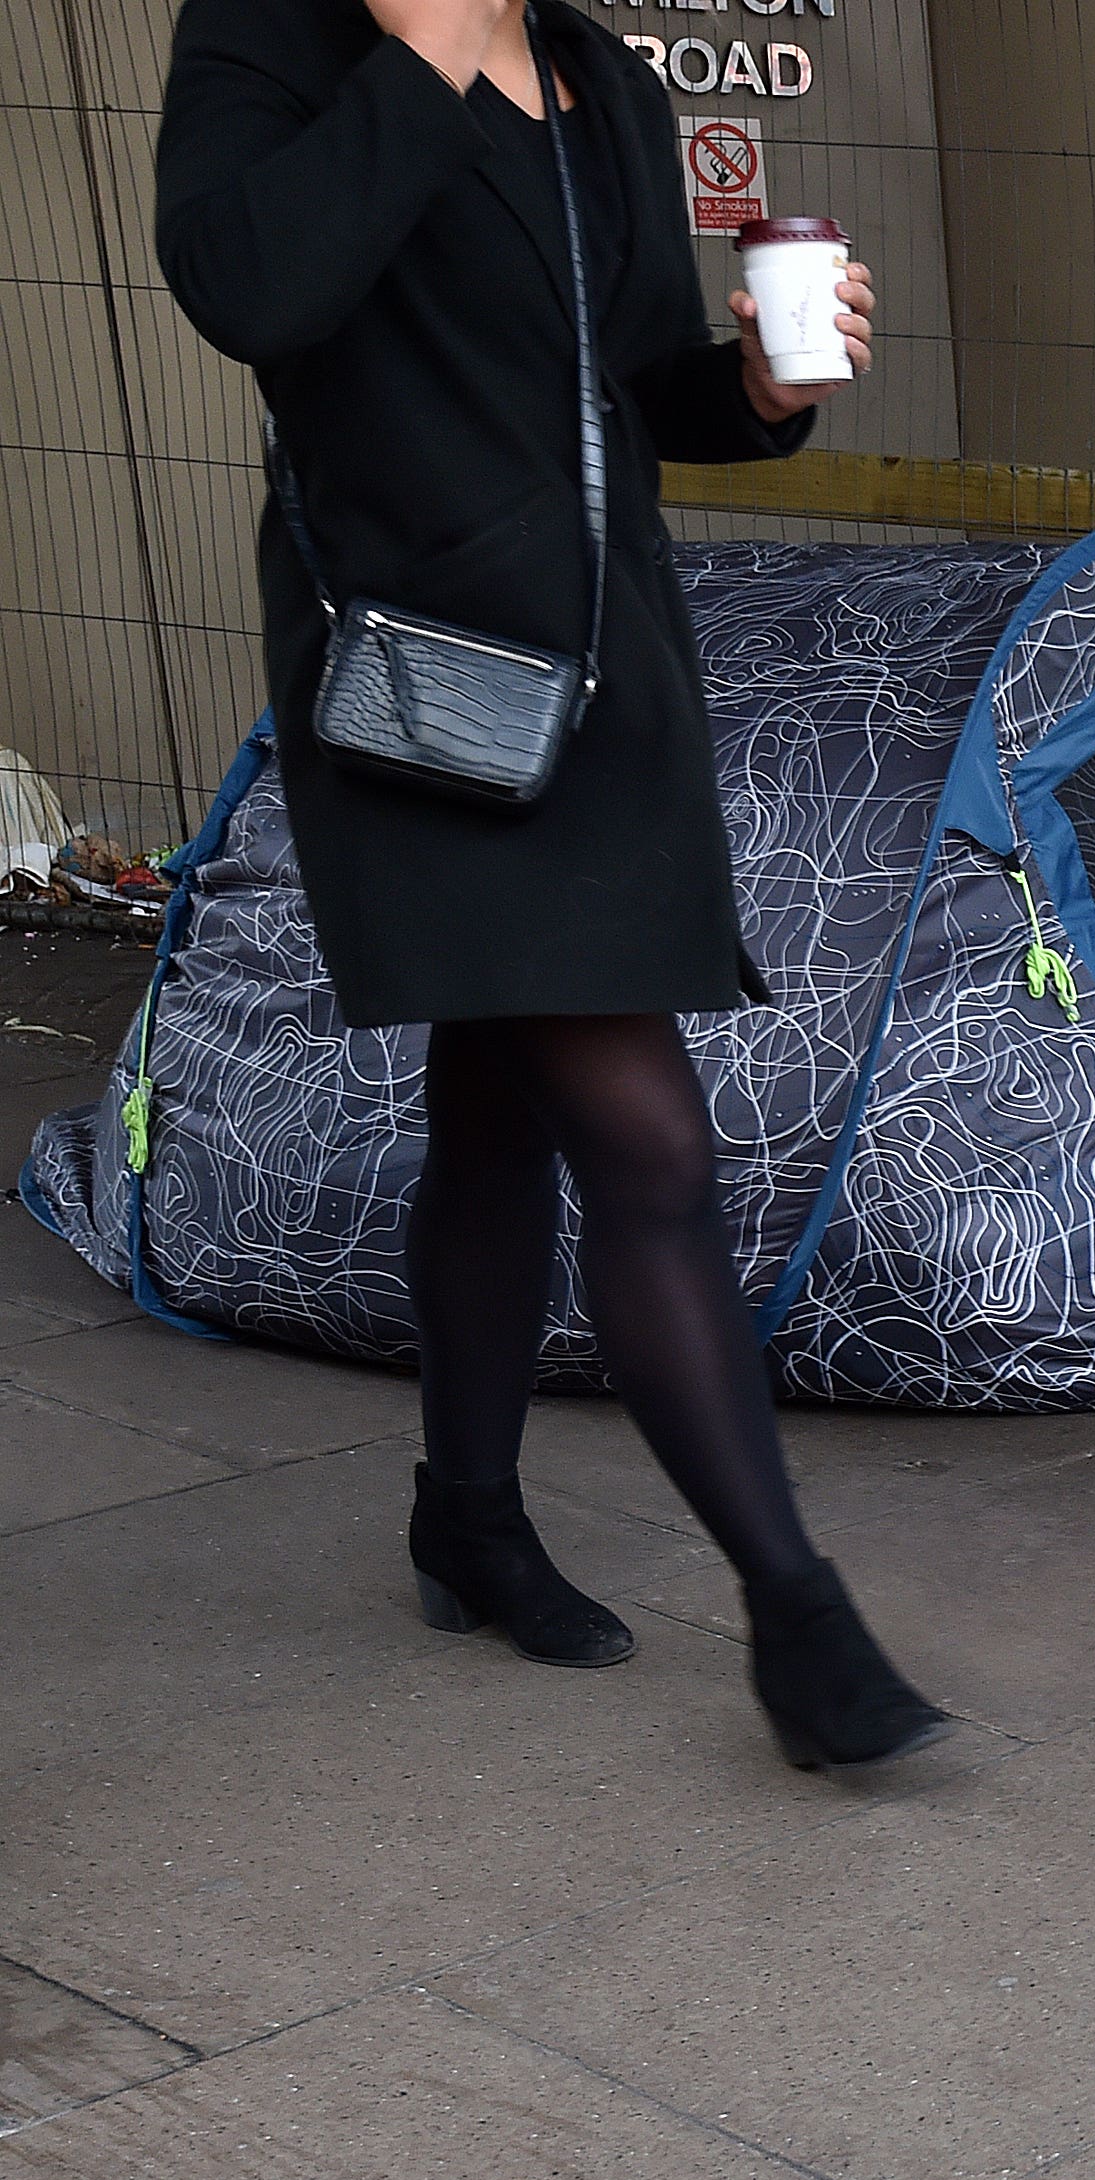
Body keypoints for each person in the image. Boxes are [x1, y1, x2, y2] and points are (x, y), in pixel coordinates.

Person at [156, 0, 948, 1770]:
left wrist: (755, 385)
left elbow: (637, 382)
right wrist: (427, 57)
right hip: (427, 696)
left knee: (499, 1121)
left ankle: (468, 1511)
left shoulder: (605, 77)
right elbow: (249, 294)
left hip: (601, 696)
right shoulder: (269, 44)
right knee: (652, 1143)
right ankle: (797, 1617)